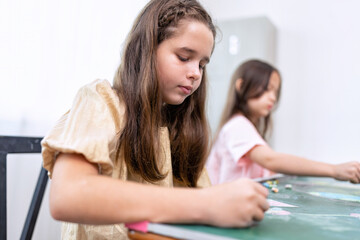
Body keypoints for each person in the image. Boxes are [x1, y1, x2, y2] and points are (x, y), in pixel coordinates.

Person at [41, 1, 269, 239]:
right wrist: (205, 203)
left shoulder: (180, 125)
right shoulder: (101, 103)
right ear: (146, 50)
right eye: (183, 57)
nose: (196, 73)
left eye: (202, 64)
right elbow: (67, 196)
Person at [206, 59, 360, 185]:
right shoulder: (237, 126)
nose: (273, 97)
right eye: (267, 89)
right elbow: (270, 159)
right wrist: (334, 170)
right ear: (241, 86)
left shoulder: (244, 127)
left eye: (275, 91)